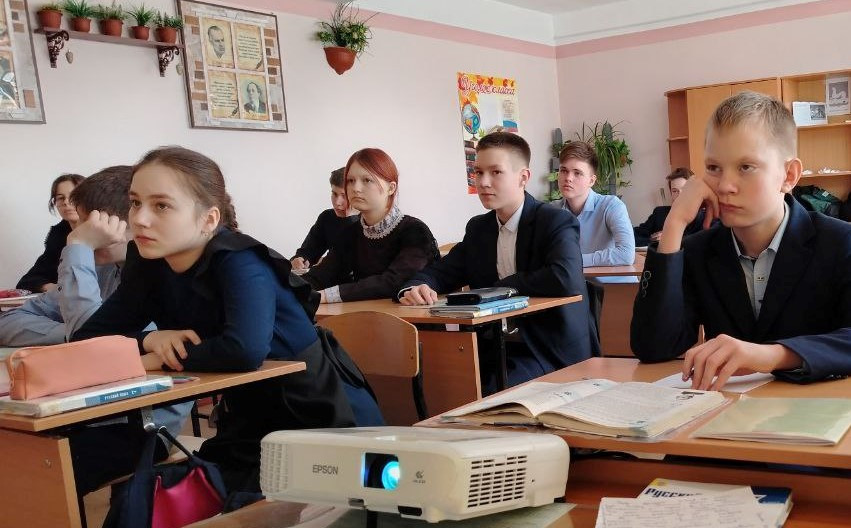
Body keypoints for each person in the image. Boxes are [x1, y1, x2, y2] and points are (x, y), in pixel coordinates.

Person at [72, 146, 382, 494]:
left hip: (316, 413)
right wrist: (149, 339)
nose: (140, 219)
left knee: (209, 496)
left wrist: (160, 359)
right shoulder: (148, 262)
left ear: (209, 219)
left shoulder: (238, 259)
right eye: (135, 202)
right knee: (157, 495)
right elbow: (86, 338)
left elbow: (243, 350)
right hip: (249, 417)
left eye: (161, 206)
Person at [631, 91, 851, 390]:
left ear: (789, 175)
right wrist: (674, 224)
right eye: (713, 168)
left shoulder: (840, 242)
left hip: (819, 409)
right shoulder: (699, 250)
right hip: (726, 411)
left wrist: (771, 355)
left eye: (746, 167)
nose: (725, 186)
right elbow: (653, 347)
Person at [2, 165, 191, 492]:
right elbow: (7, 322)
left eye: (85, 225)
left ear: (118, 223)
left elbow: (96, 345)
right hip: (78, 411)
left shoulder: (159, 273)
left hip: (139, 422)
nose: (76, 233)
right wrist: (67, 337)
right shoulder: (97, 270)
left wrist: (78, 247)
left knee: (26, 479)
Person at [399, 132, 592, 393]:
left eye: (496, 172)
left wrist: (501, 288)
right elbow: (443, 272)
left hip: (546, 349)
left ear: (523, 177)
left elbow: (565, 278)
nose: (483, 182)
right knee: (436, 382)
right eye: (478, 172)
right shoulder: (479, 228)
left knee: (486, 391)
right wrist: (416, 286)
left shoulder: (555, 221)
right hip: (492, 346)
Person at [304, 148, 440, 302]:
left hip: (411, 315)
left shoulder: (415, 231)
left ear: (391, 188)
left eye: (367, 180)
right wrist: (289, 287)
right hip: (363, 313)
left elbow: (393, 282)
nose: (355, 188)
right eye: (351, 180)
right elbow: (321, 275)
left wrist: (324, 296)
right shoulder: (350, 233)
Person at [554, 141, 635, 266]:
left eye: (577, 173)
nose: (568, 178)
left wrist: (575, 261)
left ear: (591, 181)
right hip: (571, 278)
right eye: (564, 170)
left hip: (611, 279)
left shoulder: (611, 206)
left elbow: (626, 254)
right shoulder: (552, 210)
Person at [16, 173, 86, 292]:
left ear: (88, 198)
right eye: (60, 198)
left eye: (74, 196)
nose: (66, 202)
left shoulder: (103, 232)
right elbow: (27, 281)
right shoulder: (58, 237)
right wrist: (53, 288)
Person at [291, 167, 358, 271]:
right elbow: (307, 252)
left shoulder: (369, 220)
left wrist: (350, 219)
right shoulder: (327, 217)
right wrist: (299, 260)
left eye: (344, 196)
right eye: (334, 194)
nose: (337, 202)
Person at [633, 167, 713, 246]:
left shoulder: (706, 216)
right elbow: (632, 236)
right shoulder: (659, 213)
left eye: (685, 189)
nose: (680, 195)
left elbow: (707, 241)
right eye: (675, 191)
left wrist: (669, 239)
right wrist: (653, 240)